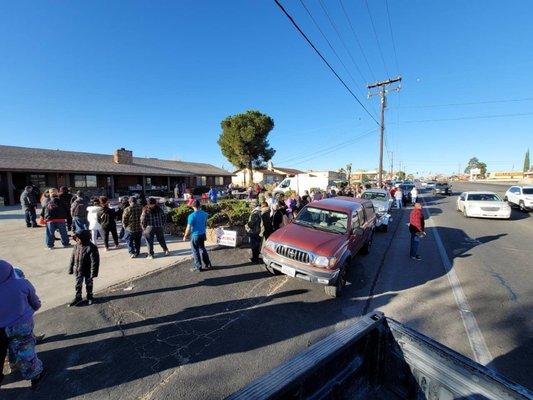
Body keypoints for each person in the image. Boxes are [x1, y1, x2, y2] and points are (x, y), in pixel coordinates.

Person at [0, 260, 45, 389]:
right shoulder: (21, 284)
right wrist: (35, 307)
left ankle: (13, 365)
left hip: (1, 328)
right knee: (25, 349)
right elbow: (35, 301)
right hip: (21, 325)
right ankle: (35, 375)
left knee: (8, 347)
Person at [68, 230, 100, 306]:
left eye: (79, 238)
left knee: (89, 284)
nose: (77, 240)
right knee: (78, 284)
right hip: (78, 270)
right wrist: (70, 268)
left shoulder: (91, 247)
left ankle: (90, 296)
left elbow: (95, 261)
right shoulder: (76, 246)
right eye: (76, 238)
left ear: (84, 238)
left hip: (87, 271)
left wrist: (94, 272)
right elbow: (72, 257)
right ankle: (78, 297)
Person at [183, 200, 211, 272]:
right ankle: (208, 264)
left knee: (195, 251)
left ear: (193, 207)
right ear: (200, 206)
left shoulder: (191, 216)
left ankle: (198, 266)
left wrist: (185, 236)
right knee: (203, 249)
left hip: (195, 235)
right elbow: (205, 223)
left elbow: (188, 228)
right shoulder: (205, 214)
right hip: (202, 234)